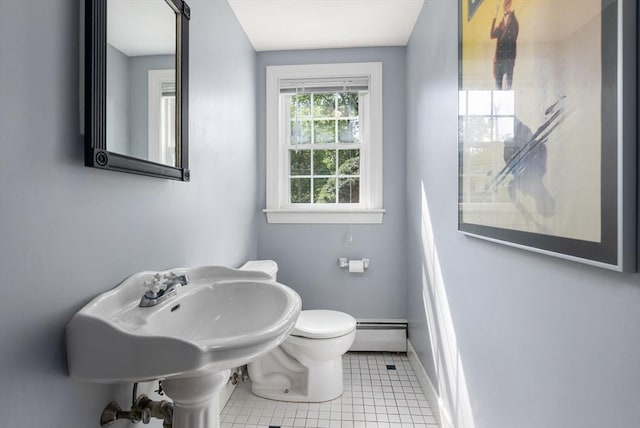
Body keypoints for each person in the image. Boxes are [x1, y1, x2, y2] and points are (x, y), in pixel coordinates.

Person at [490, 0, 519, 89]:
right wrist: (495, 16)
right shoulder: (502, 23)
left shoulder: (514, 21)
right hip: (500, 60)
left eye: (507, 4)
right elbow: (492, 35)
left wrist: (511, 62)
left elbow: (513, 41)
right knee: (498, 87)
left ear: (510, 5)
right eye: (504, 5)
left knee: (508, 88)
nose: (505, 6)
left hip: (508, 59)